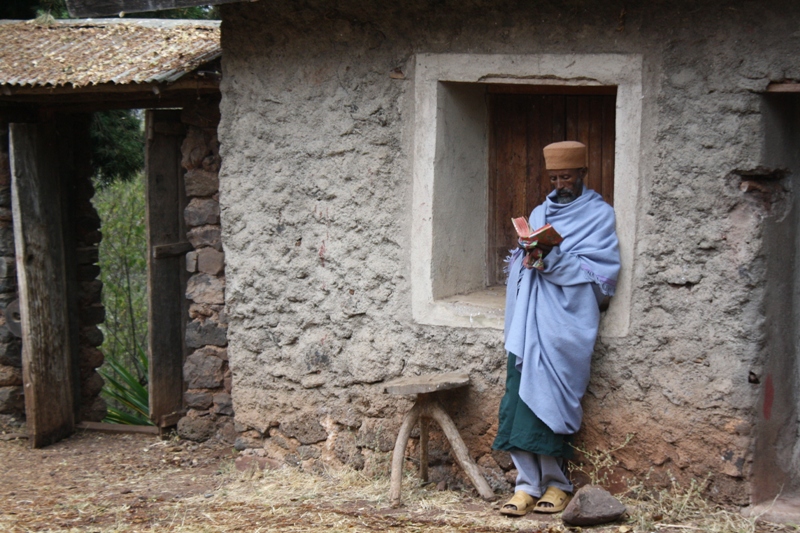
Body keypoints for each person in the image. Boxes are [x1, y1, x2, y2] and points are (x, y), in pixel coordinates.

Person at [493, 141, 620, 516]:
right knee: (518, 399)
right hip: (528, 320)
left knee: (548, 400)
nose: (560, 183)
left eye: (567, 176)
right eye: (554, 177)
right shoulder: (539, 211)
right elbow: (522, 262)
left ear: (582, 173)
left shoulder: (599, 215)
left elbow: (601, 273)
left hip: (563, 321)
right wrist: (530, 253)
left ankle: (558, 485)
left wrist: (554, 259)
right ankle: (525, 486)